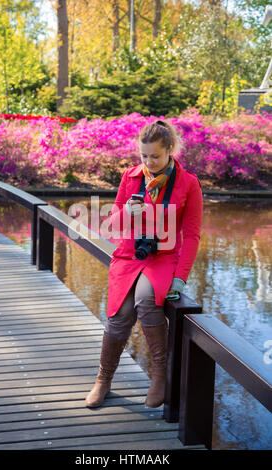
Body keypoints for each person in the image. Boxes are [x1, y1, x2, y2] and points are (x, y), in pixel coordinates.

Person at [85, 119, 203, 409]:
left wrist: (181, 278)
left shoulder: (188, 183)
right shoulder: (131, 177)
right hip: (129, 256)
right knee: (119, 313)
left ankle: (158, 377)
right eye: (144, 156)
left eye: (155, 156)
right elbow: (110, 227)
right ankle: (103, 379)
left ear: (170, 150)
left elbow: (191, 236)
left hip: (163, 258)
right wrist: (127, 211)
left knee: (146, 299)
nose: (149, 162)